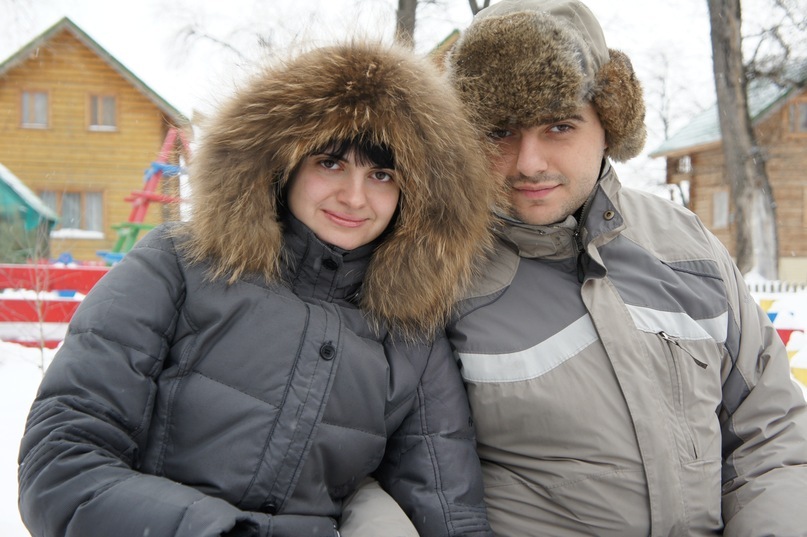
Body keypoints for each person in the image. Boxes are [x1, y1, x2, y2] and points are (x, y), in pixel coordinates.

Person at [17, 40, 497, 537]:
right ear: (284, 164)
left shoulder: (411, 335)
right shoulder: (178, 265)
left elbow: (447, 506)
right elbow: (63, 462)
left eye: (381, 175)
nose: (355, 198)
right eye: (331, 163)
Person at [442, 0, 807, 535]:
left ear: (608, 126)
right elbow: (407, 472)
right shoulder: (435, 273)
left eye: (559, 126)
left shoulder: (689, 249)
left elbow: (770, 432)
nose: (529, 162)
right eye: (501, 131)